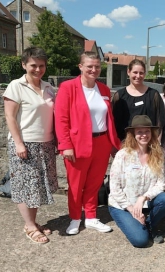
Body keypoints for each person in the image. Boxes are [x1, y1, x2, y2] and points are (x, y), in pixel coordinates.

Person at [55, 51, 121, 235]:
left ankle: (91, 217)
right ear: (81, 67)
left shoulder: (104, 89)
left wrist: (113, 143)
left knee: (94, 183)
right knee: (76, 185)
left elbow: (109, 118)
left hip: (102, 142)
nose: (94, 69)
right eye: (89, 66)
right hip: (77, 144)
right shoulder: (68, 87)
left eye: (97, 66)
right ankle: (75, 218)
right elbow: (61, 119)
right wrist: (65, 145)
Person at [3, 47, 58, 244]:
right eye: (33, 65)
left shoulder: (48, 87)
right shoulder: (16, 86)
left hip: (45, 143)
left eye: (41, 65)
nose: (38, 69)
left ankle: (32, 222)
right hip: (25, 143)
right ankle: (30, 226)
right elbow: (9, 116)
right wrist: (19, 143)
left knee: (36, 186)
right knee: (25, 186)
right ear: (24, 65)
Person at [108, 115, 165, 247]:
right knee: (141, 241)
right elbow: (115, 188)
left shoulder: (158, 153)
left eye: (147, 131)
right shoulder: (123, 155)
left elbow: (160, 184)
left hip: (143, 203)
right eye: (139, 132)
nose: (144, 135)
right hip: (122, 205)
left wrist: (143, 198)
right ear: (133, 134)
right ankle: (138, 223)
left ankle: (149, 223)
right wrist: (132, 210)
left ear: (152, 133)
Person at [112, 59, 165, 142]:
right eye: (135, 72)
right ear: (128, 72)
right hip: (125, 143)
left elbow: (160, 121)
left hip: (148, 143)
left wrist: (157, 143)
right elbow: (113, 121)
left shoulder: (153, 95)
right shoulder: (119, 96)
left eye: (141, 73)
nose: (138, 76)